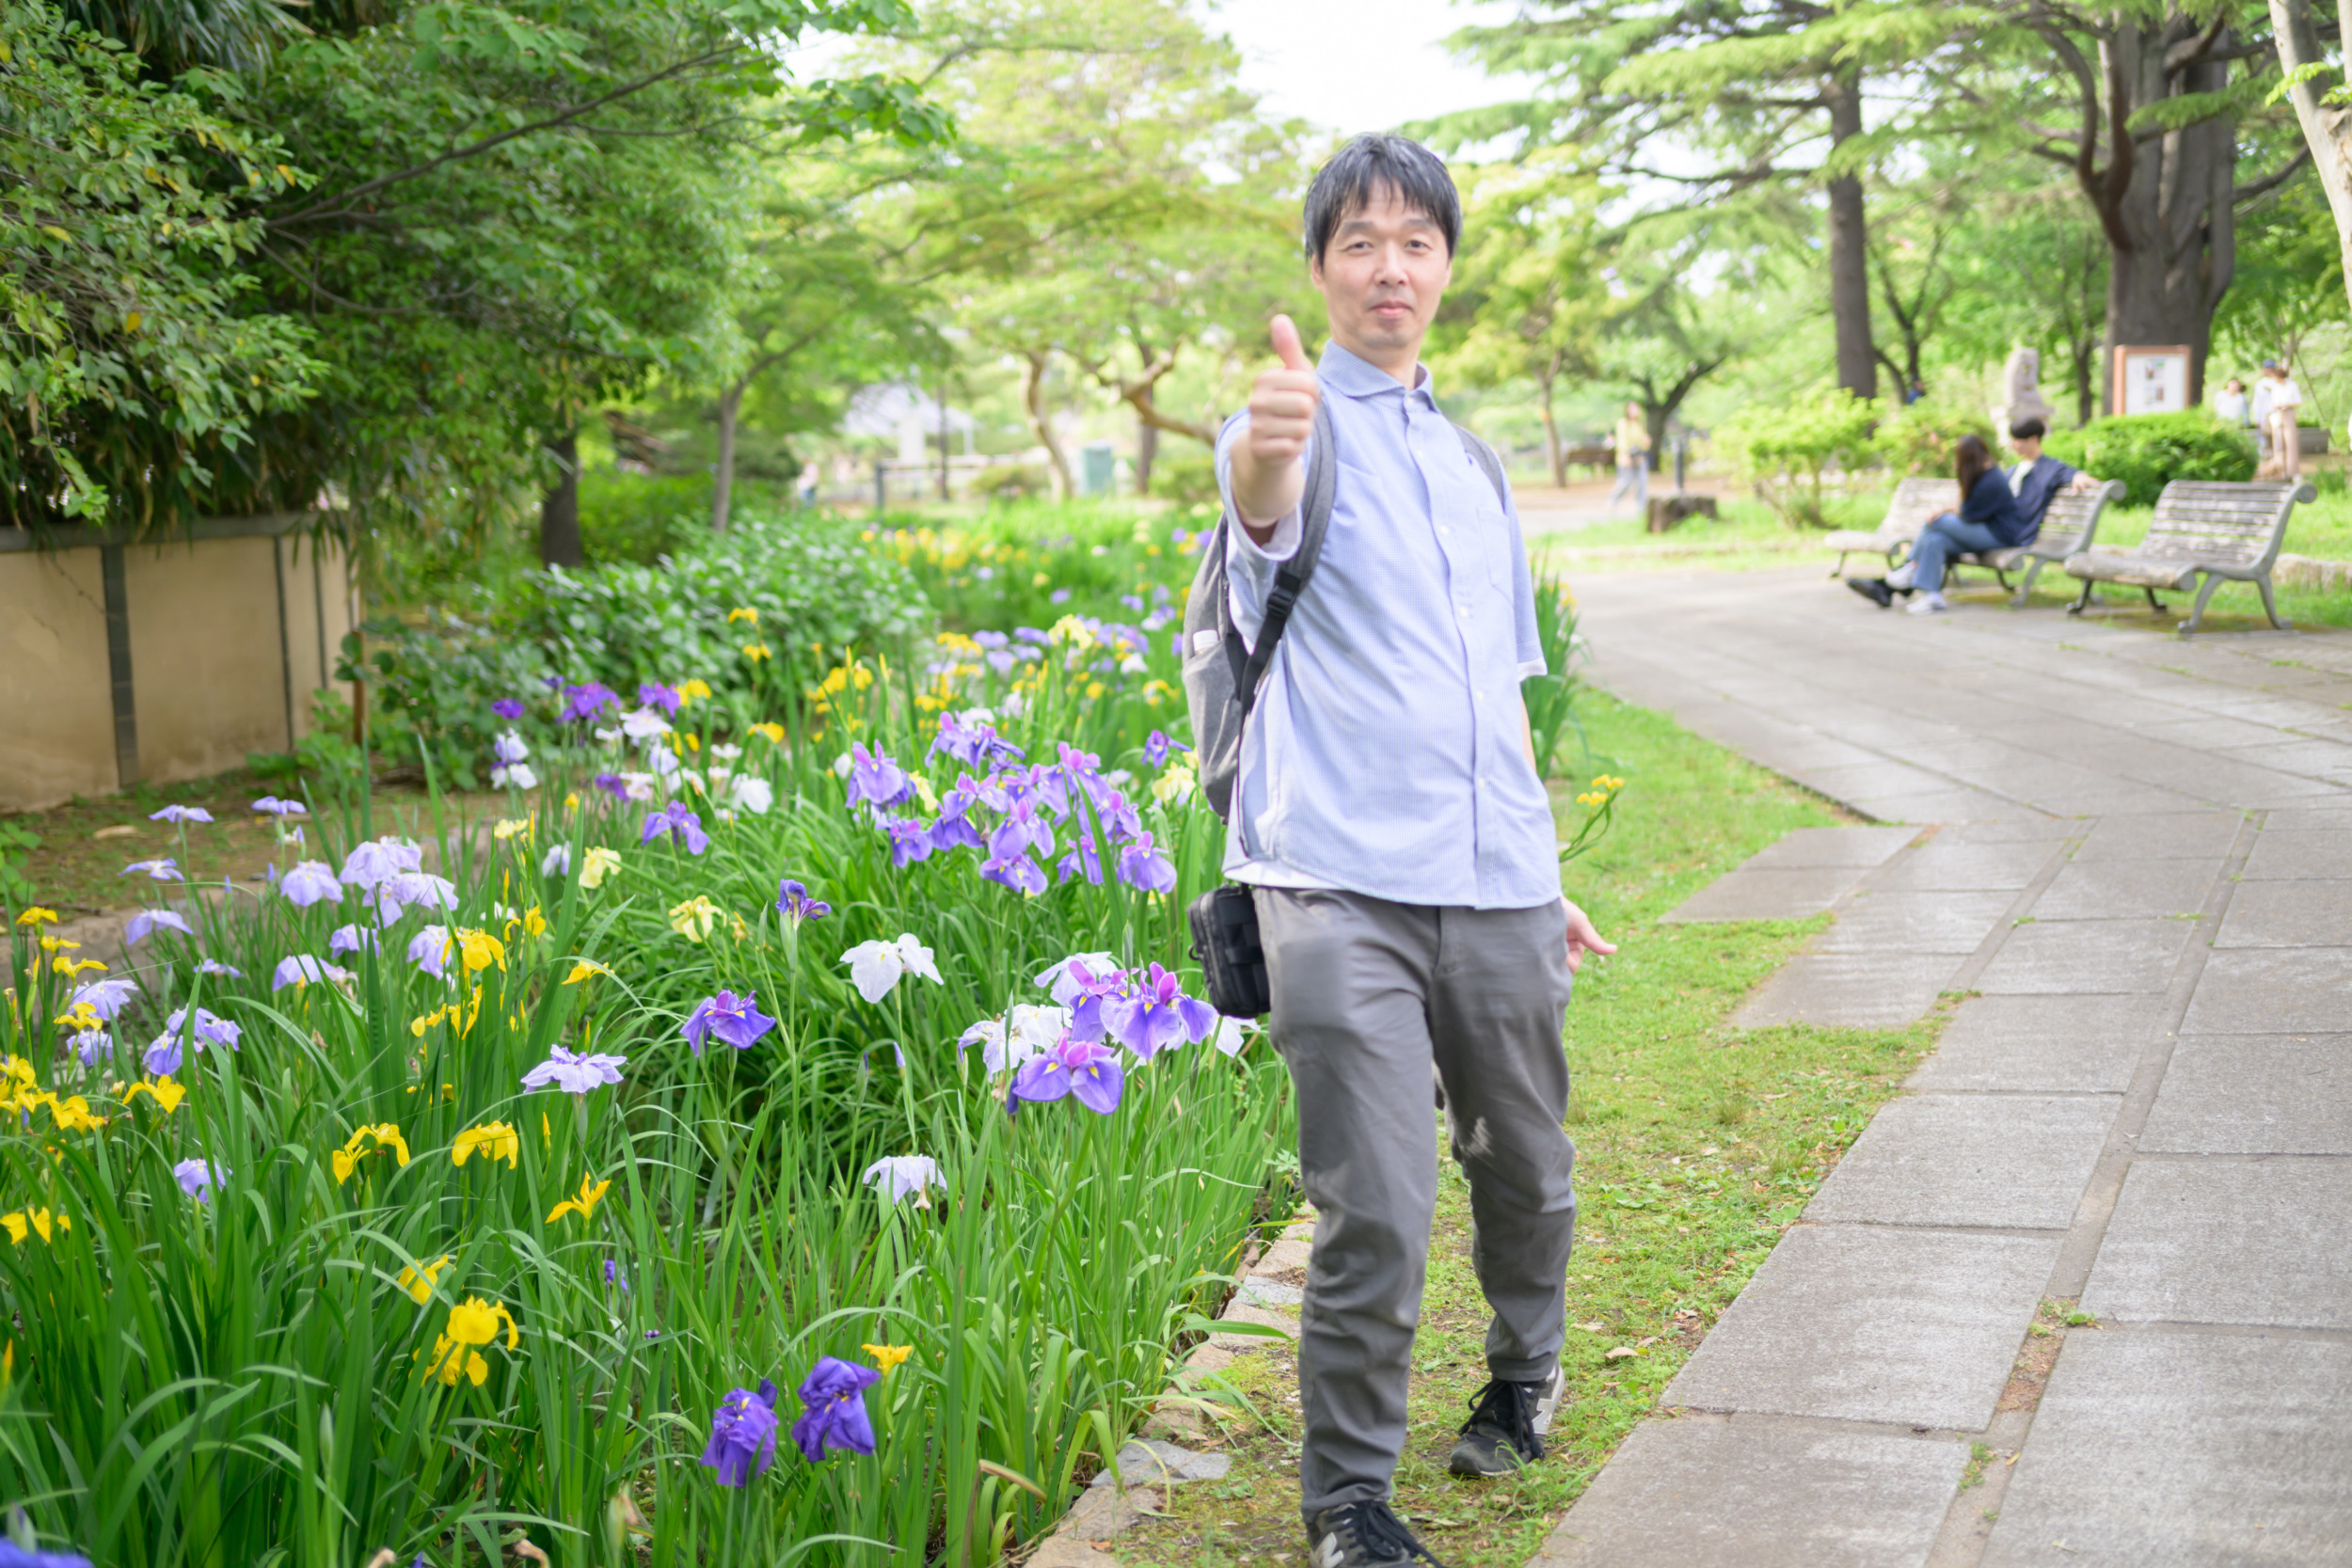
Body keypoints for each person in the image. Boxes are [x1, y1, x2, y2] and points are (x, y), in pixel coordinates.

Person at [1218, 133, 1616, 1568]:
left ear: (1445, 264)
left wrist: (1544, 872)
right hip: (1334, 884)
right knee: (1375, 1201)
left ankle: (1525, 1371)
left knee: (1528, 1167)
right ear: (1320, 266)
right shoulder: (1285, 423)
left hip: (1497, 880)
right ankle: (1348, 1501)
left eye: (1416, 240)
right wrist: (1268, 446)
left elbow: (1499, 695)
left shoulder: (1470, 464)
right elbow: (1259, 502)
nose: (1390, 265)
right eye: (1359, 241)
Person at [1845, 434, 2025, 614]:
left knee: (1937, 522)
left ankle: (1910, 567)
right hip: (1986, 532)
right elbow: (1965, 509)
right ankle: (1931, 597)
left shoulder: (1991, 481)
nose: (1956, 463)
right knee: (1936, 540)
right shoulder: (1983, 474)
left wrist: (1944, 510)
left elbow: (1968, 515)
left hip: (2000, 536)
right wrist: (1951, 501)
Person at [2005, 416, 2099, 531]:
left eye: (2018, 440)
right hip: (2004, 527)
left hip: (2017, 533)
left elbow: (2068, 472)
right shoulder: (2012, 470)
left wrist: (2078, 475)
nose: (2014, 445)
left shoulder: (2050, 469)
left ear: (2033, 439)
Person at [1606, 402, 1649, 513]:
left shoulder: (1640, 424)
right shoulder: (1623, 423)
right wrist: (1625, 454)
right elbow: (1622, 440)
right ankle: (1613, 501)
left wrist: (1646, 442)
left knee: (1642, 483)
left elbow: (1643, 442)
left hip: (1639, 457)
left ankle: (1641, 509)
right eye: (1633, 409)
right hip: (1626, 458)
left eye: (1637, 409)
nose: (1635, 411)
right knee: (1625, 483)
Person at [2264, 359, 2303, 479]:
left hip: (2288, 413)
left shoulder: (2292, 386)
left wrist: (2287, 404)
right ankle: (2279, 470)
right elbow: (2272, 402)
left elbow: (2298, 401)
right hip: (2277, 414)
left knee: (2291, 442)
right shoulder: (2275, 387)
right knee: (2278, 442)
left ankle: (2292, 470)